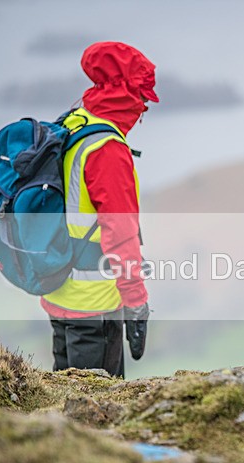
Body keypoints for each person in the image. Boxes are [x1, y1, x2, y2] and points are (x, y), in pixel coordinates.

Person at [41, 41, 157, 378]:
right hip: (95, 306)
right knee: (98, 404)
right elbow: (120, 234)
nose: (145, 108)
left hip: (59, 290)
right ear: (129, 94)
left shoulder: (75, 121)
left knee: (66, 393)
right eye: (143, 97)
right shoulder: (107, 149)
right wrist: (136, 303)